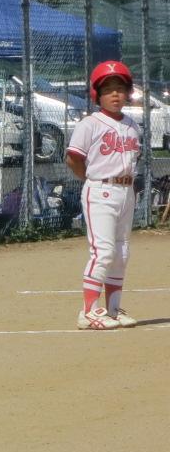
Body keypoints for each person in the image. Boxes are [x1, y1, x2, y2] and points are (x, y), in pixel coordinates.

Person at [66, 60, 142, 329]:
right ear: (97, 94)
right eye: (108, 88)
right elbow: (73, 157)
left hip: (126, 191)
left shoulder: (132, 125)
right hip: (101, 189)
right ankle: (88, 311)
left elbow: (135, 157)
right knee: (104, 251)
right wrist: (88, 178)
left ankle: (112, 309)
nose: (115, 94)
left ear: (128, 93)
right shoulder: (90, 123)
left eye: (120, 89)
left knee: (122, 252)